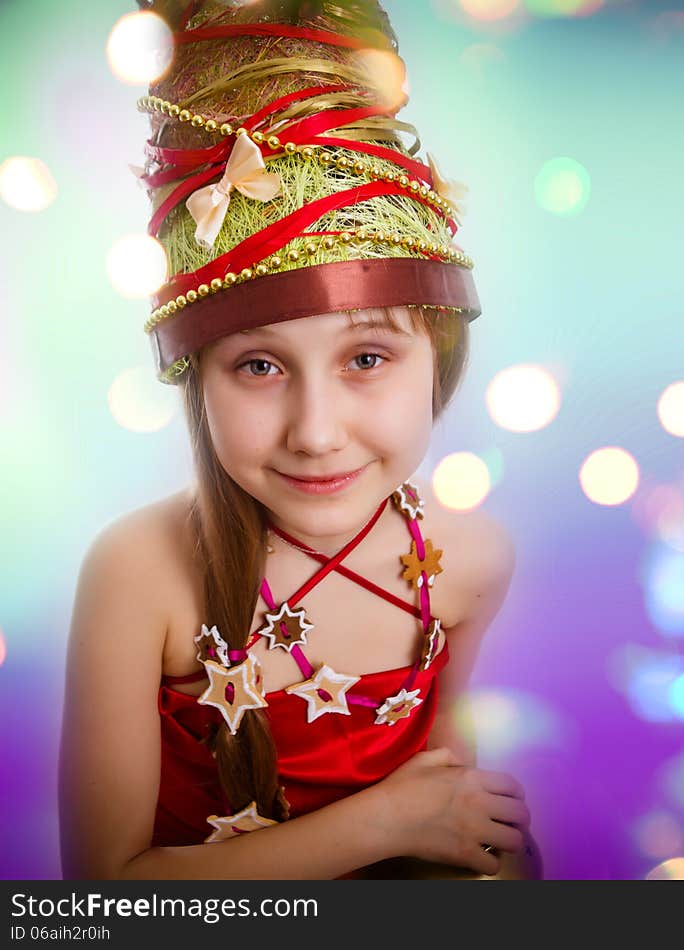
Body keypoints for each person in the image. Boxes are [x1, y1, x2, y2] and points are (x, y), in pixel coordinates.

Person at [59, 0, 540, 880]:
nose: (316, 434)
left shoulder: (471, 562)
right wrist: (381, 822)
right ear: (196, 379)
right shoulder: (137, 573)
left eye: (365, 356)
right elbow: (100, 903)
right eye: (258, 367)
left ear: (439, 356)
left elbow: (450, 814)